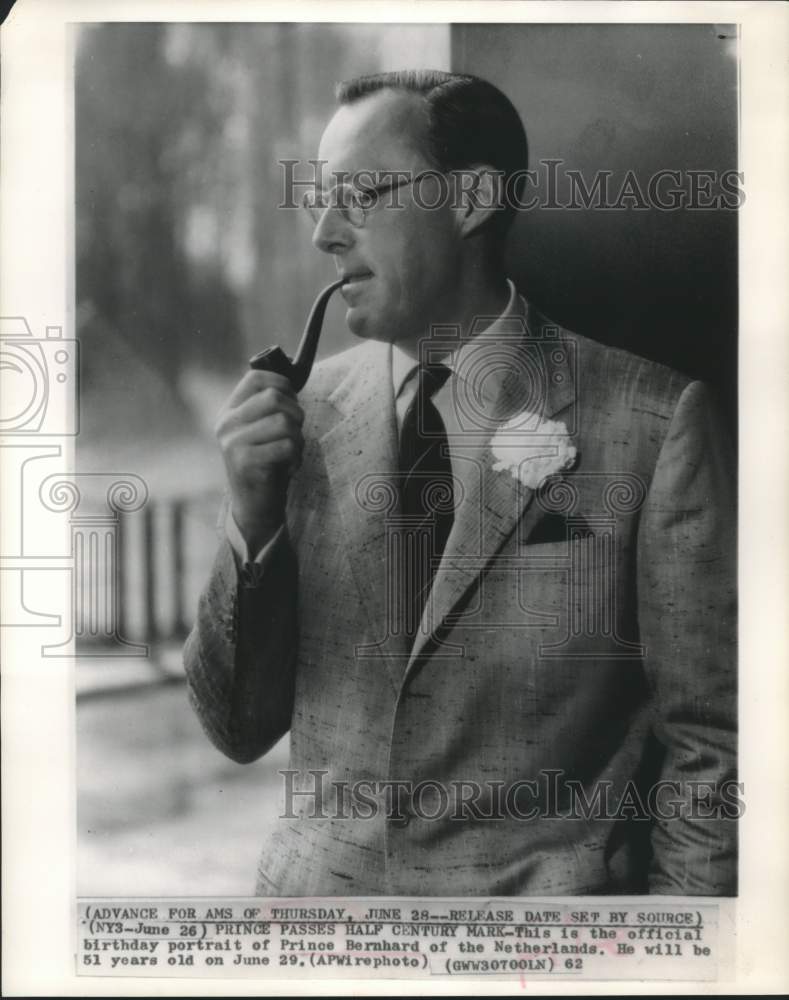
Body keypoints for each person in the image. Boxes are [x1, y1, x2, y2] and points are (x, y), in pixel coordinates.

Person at [184, 70, 737, 896]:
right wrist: (251, 522)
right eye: (320, 201)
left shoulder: (653, 425)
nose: (325, 235)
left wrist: (669, 958)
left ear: (472, 199)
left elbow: (716, 745)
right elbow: (235, 728)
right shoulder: (309, 413)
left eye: (360, 193)